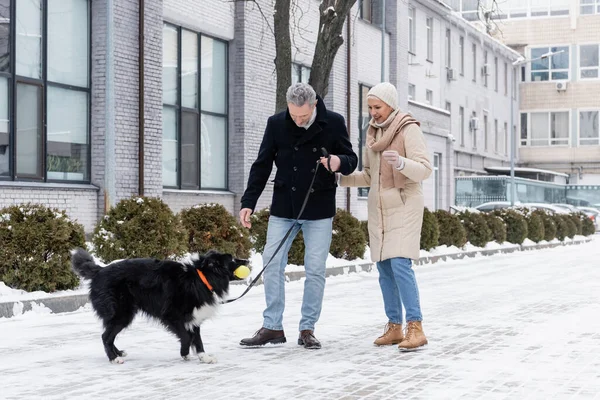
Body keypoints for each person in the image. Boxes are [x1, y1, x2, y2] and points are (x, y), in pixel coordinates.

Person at [239, 83, 358, 349]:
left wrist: (338, 162)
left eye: (303, 116)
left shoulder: (334, 123)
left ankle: (307, 329)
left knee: (315, 270)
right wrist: (248, 202)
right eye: (294, 115)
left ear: (314, 105)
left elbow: (352, 159)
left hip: (318, 208)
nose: (298, 120)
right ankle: (272, 327)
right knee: (271, 262)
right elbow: (262, 165)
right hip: (284, 206)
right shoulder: (277, 123)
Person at [334, 82, 432, 351]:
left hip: (404, 204)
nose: (373, 112)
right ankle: (394, 327)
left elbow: (425, 170)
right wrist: (339, 178)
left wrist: (401, 163)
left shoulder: (408, 129)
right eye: (370, 107)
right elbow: (368, 175)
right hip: (379, 209)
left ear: (390, 104)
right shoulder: (373, 134)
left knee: (400, 263)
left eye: (377, 107)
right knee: (384, 267)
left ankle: (416, 326)